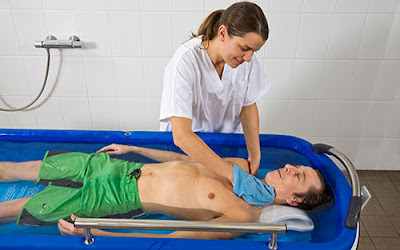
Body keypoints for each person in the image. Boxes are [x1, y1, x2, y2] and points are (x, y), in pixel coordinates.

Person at [0, 144, 332, 240]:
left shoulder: (244, 216)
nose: (289, 168)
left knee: (13, 209)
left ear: (294, 200)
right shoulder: (241, 168)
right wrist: (133, 148)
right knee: (22, 168)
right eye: (294, 167)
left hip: (117, 200)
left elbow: (174, 233)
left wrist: (102, 230)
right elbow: (185, 160)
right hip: (116, 168)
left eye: (298, 175)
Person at [160, 1, 270, 176]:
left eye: (254, 52)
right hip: (184, 150)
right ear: (222, 33)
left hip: (224, 145)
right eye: (245, 48)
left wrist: (255, 155)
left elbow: (248, 105)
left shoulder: (245, 61)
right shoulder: (185, 61)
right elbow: (181, 135)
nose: (249, 58)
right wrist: (232, 175)